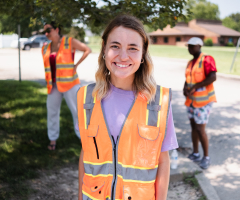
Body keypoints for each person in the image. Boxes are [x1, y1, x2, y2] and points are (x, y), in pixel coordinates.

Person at [77, 15, 178, 200]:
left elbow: (163, 161)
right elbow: (86, 153)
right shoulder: (86, 97)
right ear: (104, 50)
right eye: (115, 46)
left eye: (133, 48)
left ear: (142, 55)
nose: (123, 56)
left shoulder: (158, 102)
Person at [41, 21, 91, 150]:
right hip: (53, 86)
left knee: (78, 112)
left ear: (57, 29)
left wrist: (76, 65)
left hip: (70, 83)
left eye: (49, 30)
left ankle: (84, 140)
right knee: (52, 112)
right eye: (44, 32)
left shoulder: (69, 41)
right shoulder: (45, 47)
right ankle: (52, 140)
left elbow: (87, 50)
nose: (46, 34)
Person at [183, 37, 217, 169]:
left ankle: (206, 157)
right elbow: (187, 79)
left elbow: (212, 77)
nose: (190, 49)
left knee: (200, 129)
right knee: (193, 127)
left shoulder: (207, 59)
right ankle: (195, 153)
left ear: (199, 46)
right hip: (191, 100)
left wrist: (196, 87)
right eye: (188, 46)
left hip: (203, 101)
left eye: (192, 46)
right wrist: (185, 89)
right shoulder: (190, 62)